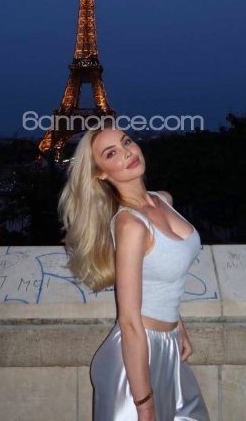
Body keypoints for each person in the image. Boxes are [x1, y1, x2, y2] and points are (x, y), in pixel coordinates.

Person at [58, 127, 210, 421]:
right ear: (101, 173)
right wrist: (144, 405)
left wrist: (178, 326)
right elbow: (129, 322)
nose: (127, 152)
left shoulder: (163, 200)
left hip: (167, 348)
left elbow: (162, 277)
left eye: (126, 141)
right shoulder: (130, 225)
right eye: (111, 153)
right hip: (135, 360)